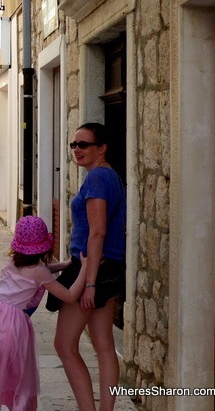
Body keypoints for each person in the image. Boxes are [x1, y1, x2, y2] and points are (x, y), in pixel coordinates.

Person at [0, 216, 87, 411]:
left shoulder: (11, 261)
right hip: (12, 329)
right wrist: (85, 270)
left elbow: (36, 273)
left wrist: (63, 265)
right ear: (43, 247)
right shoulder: (40, 273)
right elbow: (70, 296)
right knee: (18, 383)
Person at [45, 122, 126, 411]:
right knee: (104, 345)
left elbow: (98, 231)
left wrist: (89, 281)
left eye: (84, 145)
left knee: (65, 345)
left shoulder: (97, 180)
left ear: (101, 148)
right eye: (73, 145)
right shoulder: (109, 176)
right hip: (109, 266)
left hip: (92, 271)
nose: (76, 150)